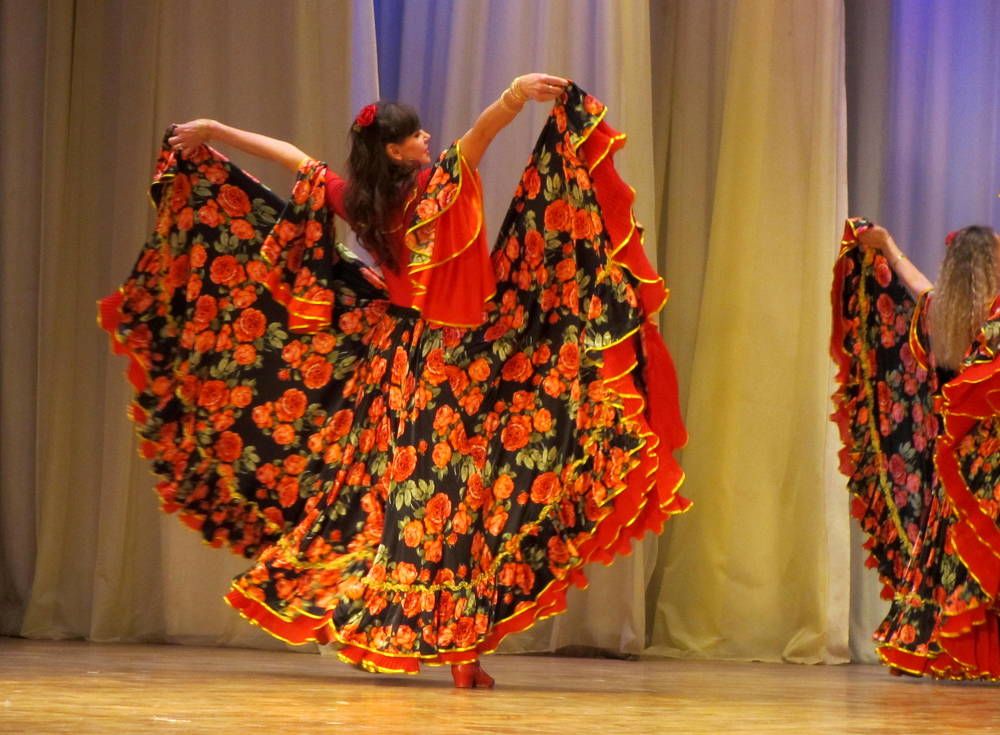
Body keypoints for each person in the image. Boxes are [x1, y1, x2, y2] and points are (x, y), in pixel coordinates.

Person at [100, 75, 690, 688]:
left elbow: (292, 158)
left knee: (409, 499)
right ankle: (453, 649)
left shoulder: (358, 200)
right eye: (413, 134)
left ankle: (430, 640)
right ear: (394, 150)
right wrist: (515, 96)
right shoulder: (432, 188)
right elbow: (481, 134)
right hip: (455, 361)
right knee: (450, 501)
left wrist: (215, 131)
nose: (425, 136)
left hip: (398, 358)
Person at [831, 219, 1000, 680]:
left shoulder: (943, 315)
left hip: (954, 462)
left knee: (954, 551)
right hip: (990, 461)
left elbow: (918, 286)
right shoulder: (990, 321)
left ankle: (954, 649)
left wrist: (889, 245)